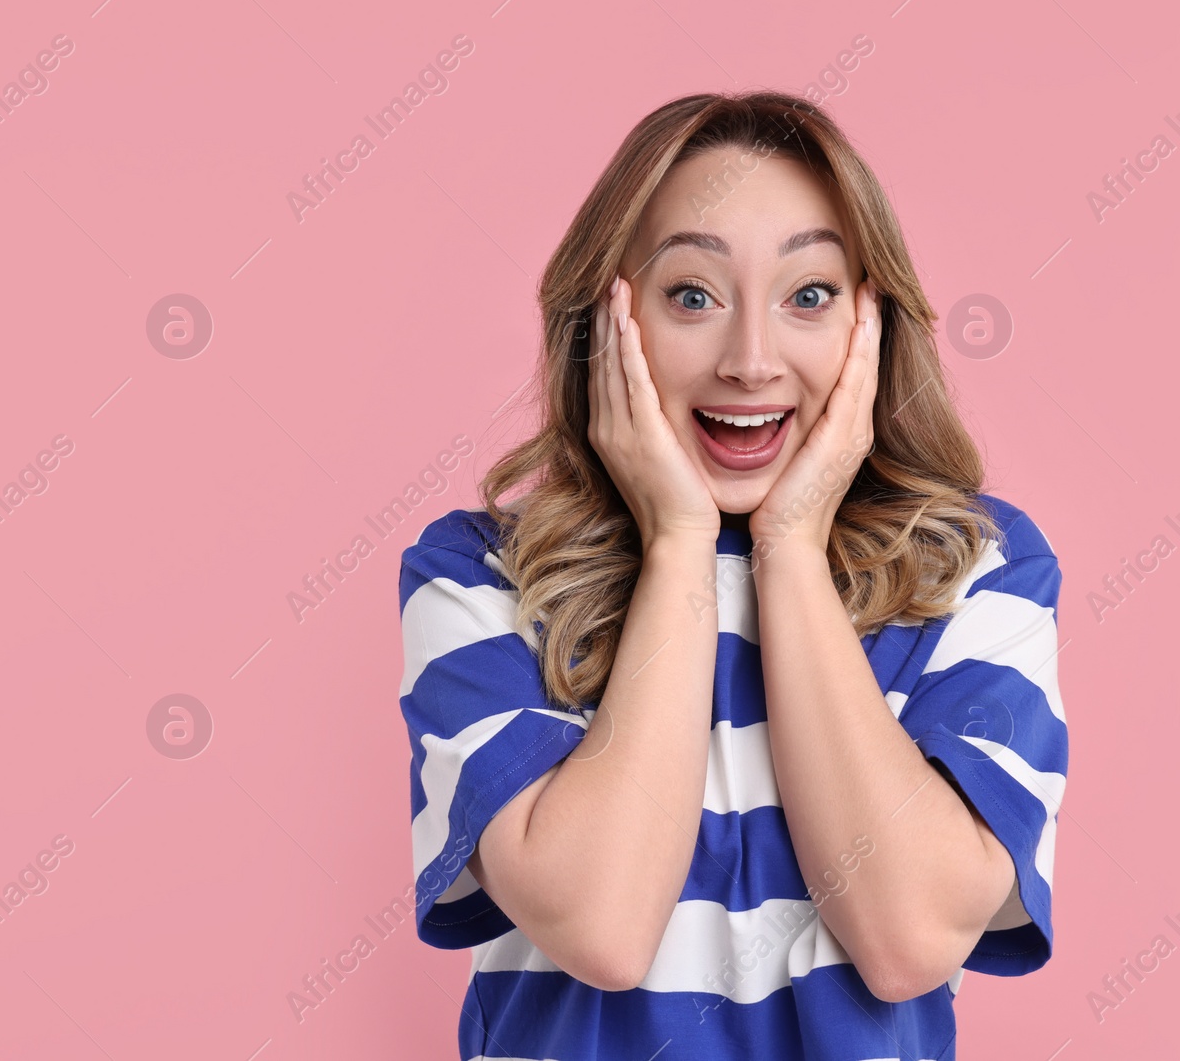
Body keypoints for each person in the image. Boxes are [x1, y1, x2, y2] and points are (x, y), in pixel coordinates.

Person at [395, 90, 1066, 1061]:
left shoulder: (977, 569)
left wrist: (789, 545)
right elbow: (600, 922)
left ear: (870, 326)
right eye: (692, 295)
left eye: (807, 295)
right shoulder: (480, 577)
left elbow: (907, 938)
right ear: (606, 314)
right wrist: (677, 540)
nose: (750, 360)